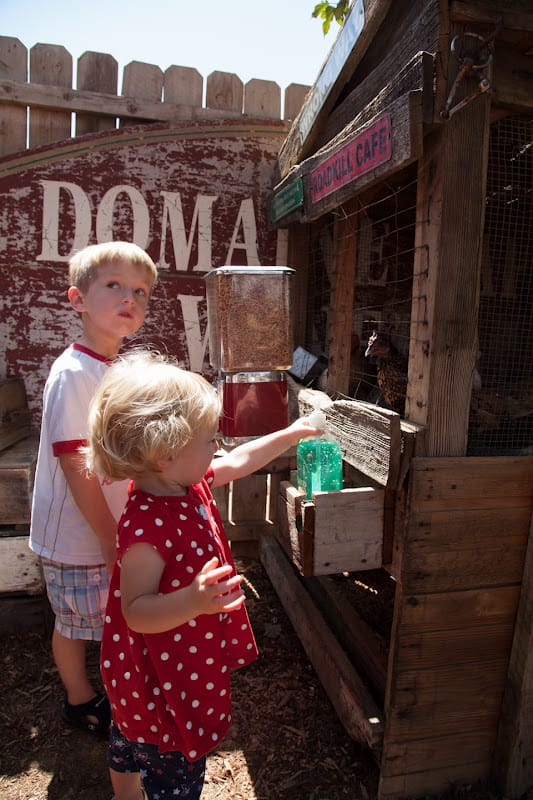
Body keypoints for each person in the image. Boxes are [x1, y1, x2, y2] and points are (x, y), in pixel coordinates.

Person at [84, 349, 322, 800]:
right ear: (163, 455)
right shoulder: (144, 527)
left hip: (171, 650)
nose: (218, 446)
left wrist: (288, 435)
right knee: (164, 745)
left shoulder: (185, 483)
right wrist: (192, 601)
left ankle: (125, 793)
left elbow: (238, 461)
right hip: (161, 666)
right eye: (209, 438)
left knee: (129, 734)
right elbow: (135, 611)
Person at [29, 242, 158, 738]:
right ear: (77, 298)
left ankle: (117, 688)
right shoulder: (74, 373)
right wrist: (108, 536)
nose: (131, 298)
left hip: (112, 525)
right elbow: (75, 463)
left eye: (141, 292)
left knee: (110, 620)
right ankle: (80, 699)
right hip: (80, 534)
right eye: (114, 286)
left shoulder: (115, 370)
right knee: (75, 623)